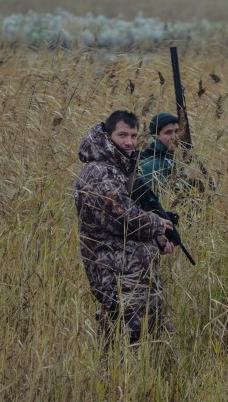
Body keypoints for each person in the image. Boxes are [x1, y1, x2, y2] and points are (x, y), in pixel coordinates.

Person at [74, 110, 175, 346]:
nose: (129, 142)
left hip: (134, 279)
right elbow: (121, 216)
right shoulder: (100, 172)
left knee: (147, 347)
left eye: (133, 135)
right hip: (118, 280)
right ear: (107, 136)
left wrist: (157, 238)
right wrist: (156, 223)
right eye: (122, 135)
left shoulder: (120, 169)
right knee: (124, 350)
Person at [139, 112, 205, 197]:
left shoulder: (171, 157)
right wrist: (186, 176)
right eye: (168, 132)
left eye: (177, 131)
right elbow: (169, 198)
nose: (174, 137)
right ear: (155, 136)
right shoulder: (151, 165)